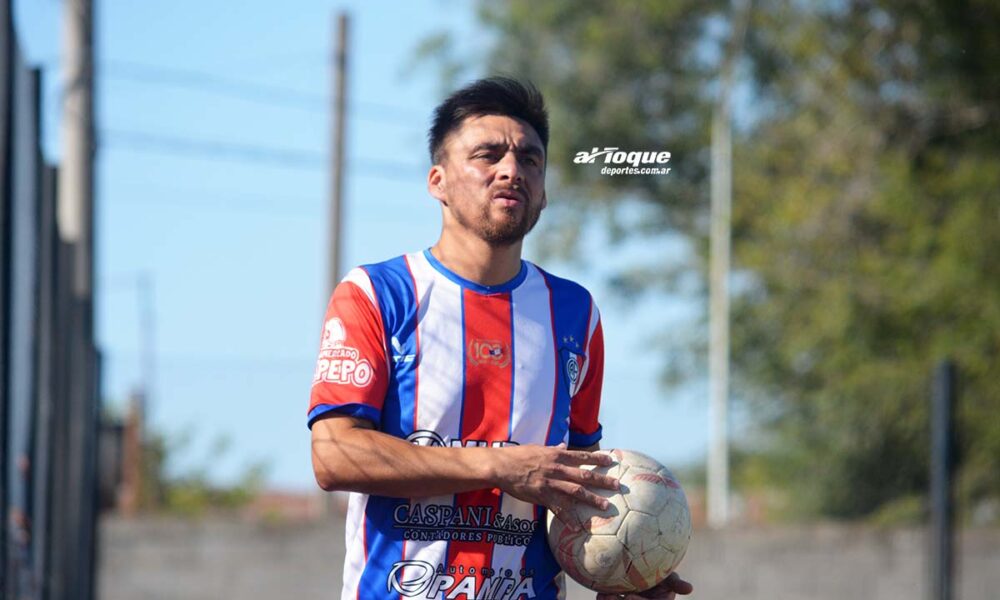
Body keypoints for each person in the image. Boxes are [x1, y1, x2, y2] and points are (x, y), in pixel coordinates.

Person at [308, 77, 692, 600]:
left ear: (543, 190)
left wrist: (620, 570)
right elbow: (333, 457)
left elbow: (580, 490)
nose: (511, 169)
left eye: (530, 160)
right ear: (437, 181)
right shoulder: (377, 295)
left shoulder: (575, 315)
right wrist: (496, 466)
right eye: (488, 155)